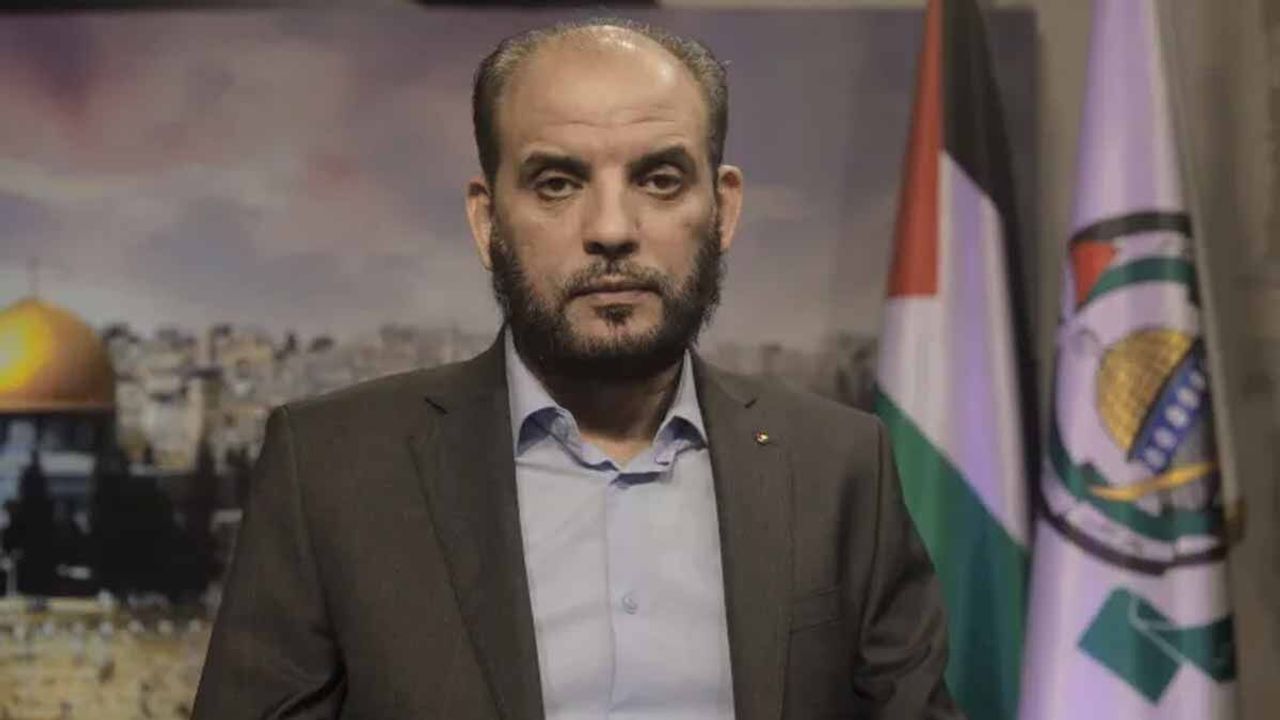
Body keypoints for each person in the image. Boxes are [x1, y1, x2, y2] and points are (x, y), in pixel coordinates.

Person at [193, 18, 959, 719]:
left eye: (659, 179)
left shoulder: (839, 466)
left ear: (723, 210)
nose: (612, 229)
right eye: (557, 184)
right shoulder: (331, 470)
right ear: (487, 220)